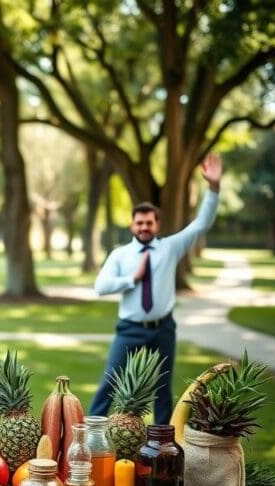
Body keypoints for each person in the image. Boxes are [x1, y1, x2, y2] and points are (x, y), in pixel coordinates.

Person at [89, 153, 223, 425]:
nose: (144, 227)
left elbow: (201, 225)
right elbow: (100, 286)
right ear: (132, 225)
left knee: (162, 391)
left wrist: (214, 187)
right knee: (109, 383)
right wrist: (131, 278)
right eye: (139, 223)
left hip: (163, 329)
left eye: (149, 222)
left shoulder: (170, 247)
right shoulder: (120, 255)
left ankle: (162, 448)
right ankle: (88, 438)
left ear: (157, 224)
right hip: (130, 328)